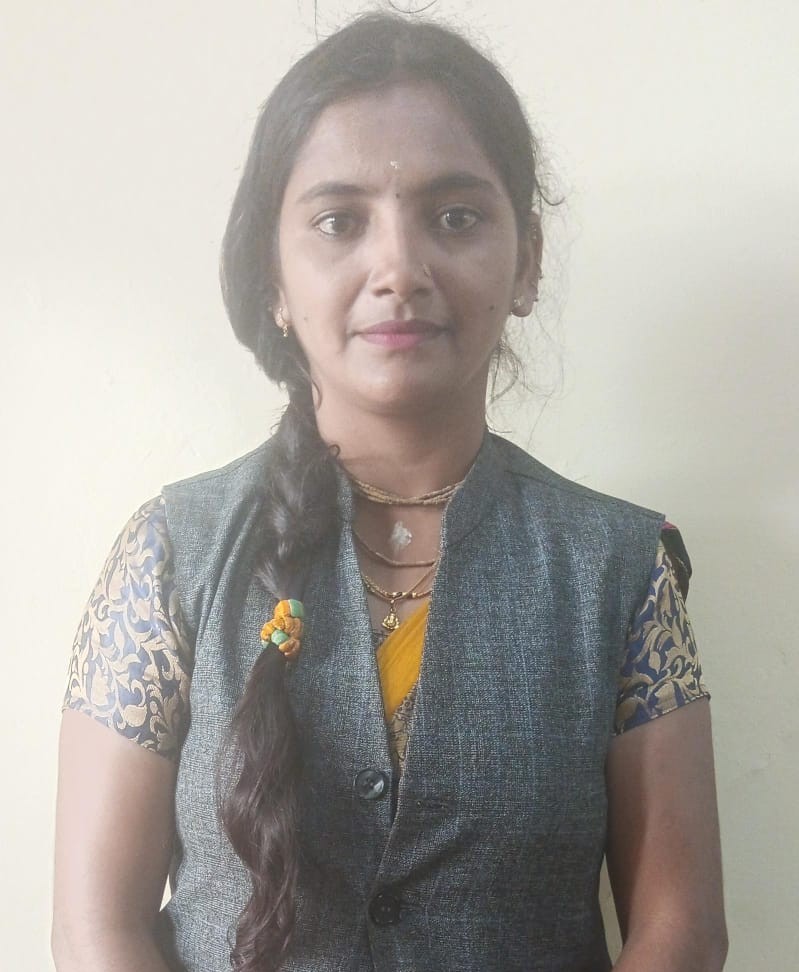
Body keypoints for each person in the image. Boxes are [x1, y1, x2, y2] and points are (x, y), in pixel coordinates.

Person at [52, 12, 727, 972]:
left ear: (526, 261)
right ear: (273, 276)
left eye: (455, 217)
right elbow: (96, 931)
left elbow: (681, 934)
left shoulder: (622, 573)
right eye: (339, 221)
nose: (399, 269)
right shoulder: (171, 555)